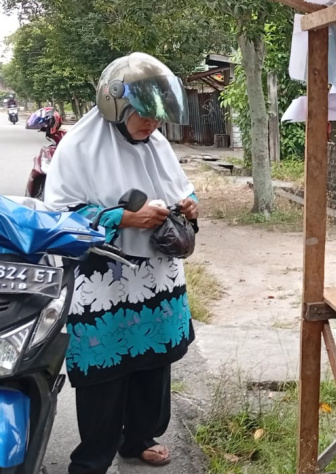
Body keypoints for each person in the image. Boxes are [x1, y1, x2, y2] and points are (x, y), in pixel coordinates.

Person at [44, 52, 199, 474]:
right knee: (103, 372)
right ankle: (93, 458)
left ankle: (139, 439)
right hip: (103, 280)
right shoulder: (78, 147)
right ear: (118, 108)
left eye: (157, 118)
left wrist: (189, 205)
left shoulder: (158, 143)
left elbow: (183, 189)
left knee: (152, 363)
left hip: (156, 277)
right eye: (144, 117)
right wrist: (122, 218)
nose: (152, 126)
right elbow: (58, 217)